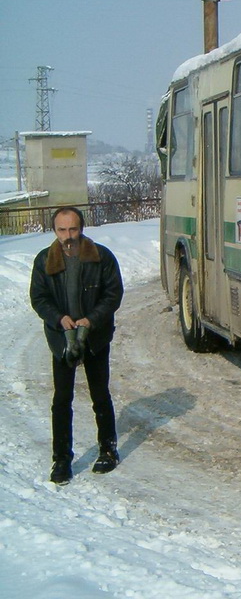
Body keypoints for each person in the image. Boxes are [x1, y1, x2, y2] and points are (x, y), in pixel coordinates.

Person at [30, 206, 124, 485]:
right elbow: (39, 297)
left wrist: (91, 320)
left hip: (94, 337)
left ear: (81, 229)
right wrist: (60, 319)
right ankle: (61, 459)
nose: (68, 236)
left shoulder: (101, 257)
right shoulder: (45, 260)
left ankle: (107, 449)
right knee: (61, 400)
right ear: (55, 231)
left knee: (99, 394)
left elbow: (113, 294)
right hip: (62, 338)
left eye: (72, 229)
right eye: (62, 230)